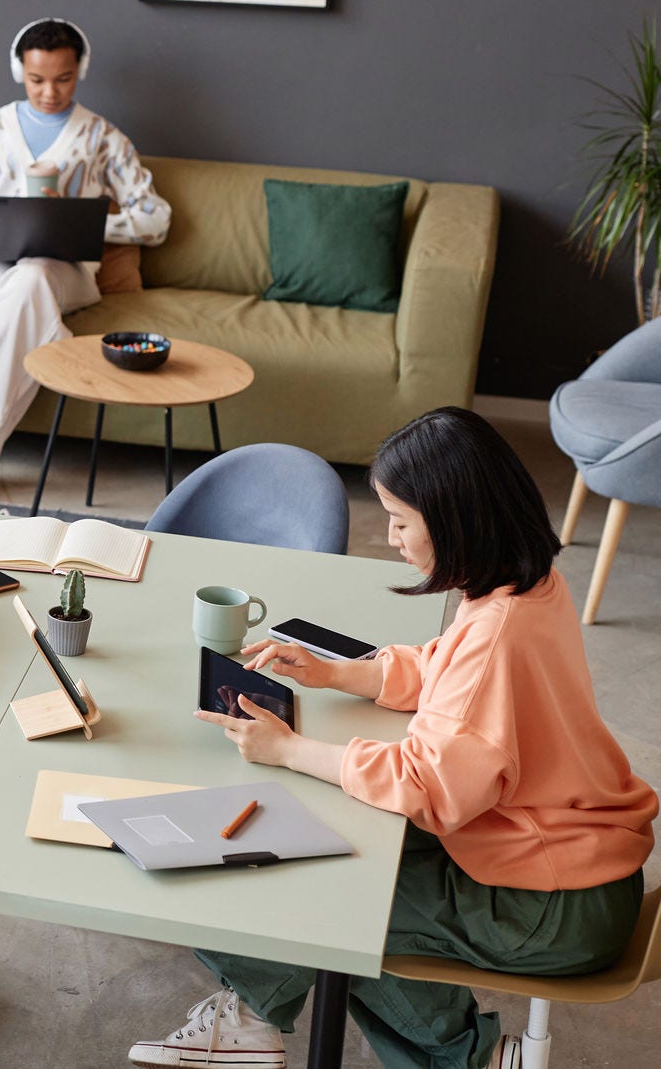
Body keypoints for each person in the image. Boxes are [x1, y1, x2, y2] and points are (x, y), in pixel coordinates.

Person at [129, 407, 656, 1069]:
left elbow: (424, 785)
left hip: (551, 905)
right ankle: (264, 1016)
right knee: (328, 844)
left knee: (333, 884)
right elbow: (447, 668)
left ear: (459, 518)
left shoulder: (496, 631)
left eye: (402, 520)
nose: (391, 536)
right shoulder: (524, 588)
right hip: (572, 860)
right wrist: (340, 672)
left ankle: (456, 1056)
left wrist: (288, 748)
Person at [0, 18, 170, 502]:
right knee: (32, 328)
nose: (49, 92)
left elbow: (155, 219)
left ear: (80, 70)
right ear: (19, 71)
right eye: (37, 79)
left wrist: (86, 227)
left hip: (61, 269)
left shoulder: (103, 139)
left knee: (34, 276)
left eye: (62, 79)